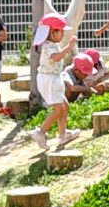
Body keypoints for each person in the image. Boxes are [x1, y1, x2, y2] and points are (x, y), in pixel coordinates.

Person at [29, 13, 81, 150]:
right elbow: (56, 58)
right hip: (49, 80)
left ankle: (62, 134)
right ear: (53, 32)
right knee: (58, 109)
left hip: (53, 78)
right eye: (61, 31)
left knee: (64, 106)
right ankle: (40, 132)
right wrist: (69, 47)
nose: (62, 34)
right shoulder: (48, 46)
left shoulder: (52, 44)